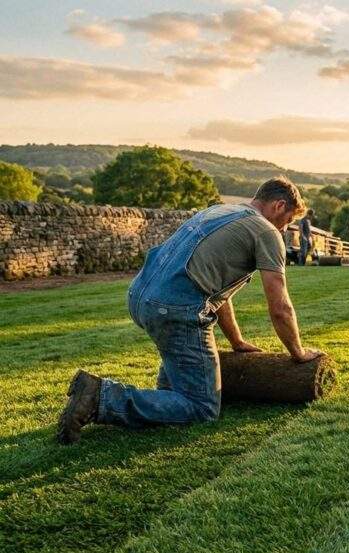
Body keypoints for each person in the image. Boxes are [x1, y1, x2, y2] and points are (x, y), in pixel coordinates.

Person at [56, 177, 322, 445]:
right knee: (201, 407)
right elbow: (280, 306)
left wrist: (236, 342)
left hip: (141, 296)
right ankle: (99, 397)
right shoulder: (265, 231)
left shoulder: (218, 212)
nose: (285, 229)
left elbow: (216, 290)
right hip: (173, 308)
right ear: (279, 205)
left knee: (173, 389)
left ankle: (162, 396)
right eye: (287, 221)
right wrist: (298, 352)